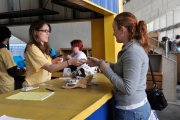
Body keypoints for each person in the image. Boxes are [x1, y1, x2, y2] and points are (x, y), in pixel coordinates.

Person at [87, 12, 151, 120]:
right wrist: (100, 63)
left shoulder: (133, 52)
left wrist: (106, 70)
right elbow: (123, 68)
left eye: (114, 29)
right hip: (134, 110)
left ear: (122, 29)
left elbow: (128, 89)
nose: (113, 33)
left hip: (131, 111)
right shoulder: (132, 48)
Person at [23, 20, 84, 87]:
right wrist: (70, 62)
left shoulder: (43, 48)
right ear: (35, 32)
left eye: (48, 31)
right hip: (33, 88)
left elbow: (44, 65)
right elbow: (50, 68)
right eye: (45, 31)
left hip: (42, 86)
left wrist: (53, 61)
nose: (48, 33)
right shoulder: (32, 48)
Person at [0, 26, 26, 94]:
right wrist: (23, 69)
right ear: (6, 38)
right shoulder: (5, 52)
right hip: (4, 86)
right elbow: (13, 72)